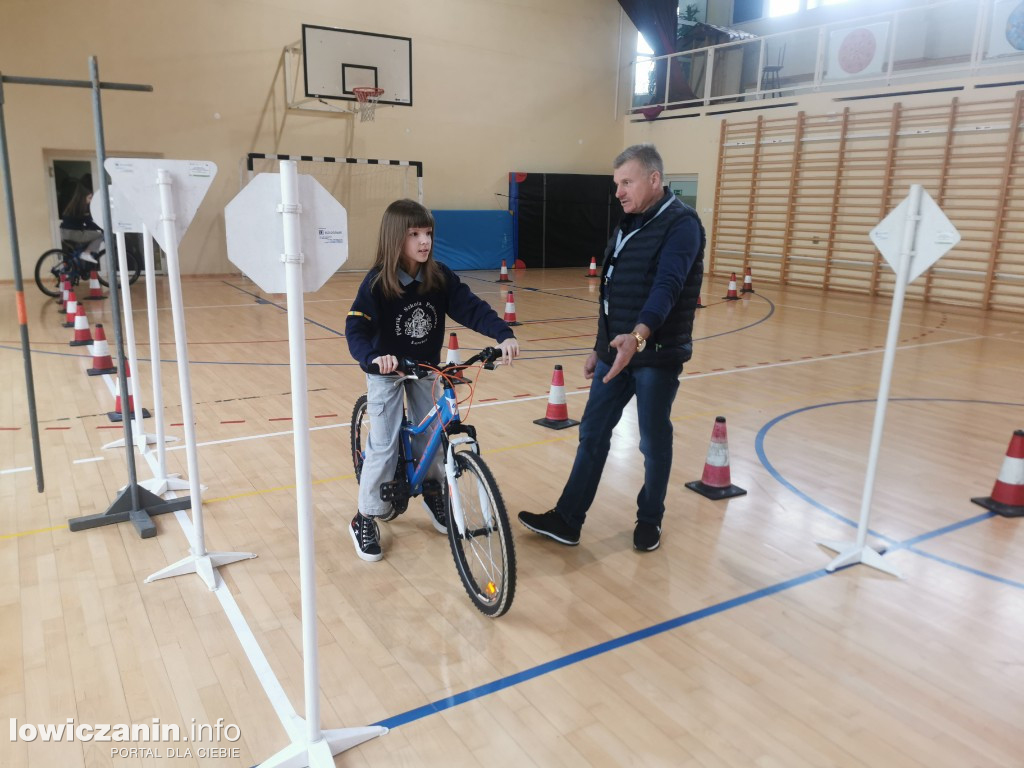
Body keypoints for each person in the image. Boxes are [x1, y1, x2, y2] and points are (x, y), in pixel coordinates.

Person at [518, 144, 704, 552]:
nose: (618, 192)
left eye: (627, 182)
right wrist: (601, 346)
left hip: (655, 355)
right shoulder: (628, 223)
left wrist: (638, 337)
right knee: (592, 432)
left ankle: (650, 519)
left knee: (653, 441)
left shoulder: (682, 225)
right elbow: (613, 292)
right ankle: (568, 519)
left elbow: (667, 287)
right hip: (615, 352)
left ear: (654, 180)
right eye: (616, 183)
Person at [345, 199, 520, 562]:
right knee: (384, 443)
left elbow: (471, 307)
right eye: (414, 235)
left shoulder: (438, 277)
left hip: (425, 368)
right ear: (396, 238)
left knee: (433, 439)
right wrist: (373, 358)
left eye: (427, 233)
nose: (424, 242)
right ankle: (366, 515)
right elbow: (356, 327)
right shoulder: (377, 283)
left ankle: (433, 492)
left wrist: (502, 334)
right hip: (388, 373)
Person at [59, 181, 102, 267]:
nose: (90, 201)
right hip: (74, 234)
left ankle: (79, 262)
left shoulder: (72, 206)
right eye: (89, 198)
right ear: (83, 197)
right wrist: (102, 228)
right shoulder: (82, 208)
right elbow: (89, 222)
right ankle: (87, 252)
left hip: (64, 233)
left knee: (84, 240)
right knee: (100, 235)